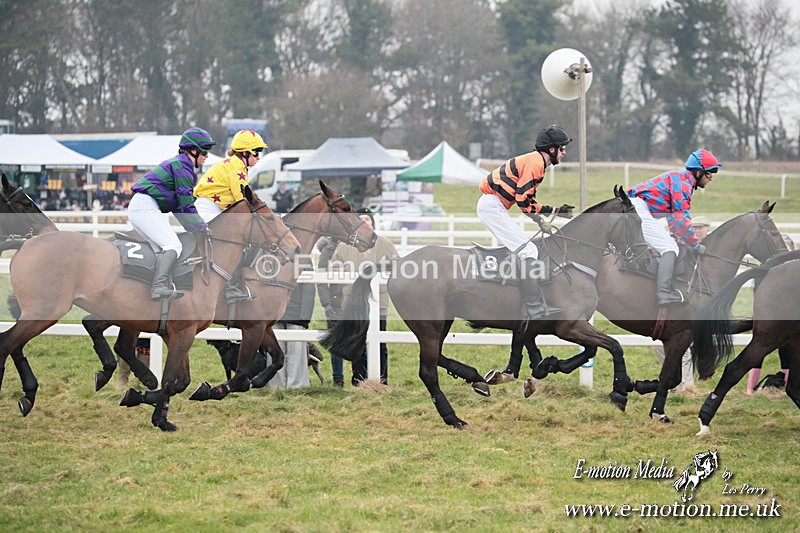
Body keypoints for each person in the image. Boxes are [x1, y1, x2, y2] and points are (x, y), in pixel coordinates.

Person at [477, 124, 575, 323]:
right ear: (552, 149)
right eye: (562, 148)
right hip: (492, 206)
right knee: (529, 251)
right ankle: (532, 306)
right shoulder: (535, 164)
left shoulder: (535, 162)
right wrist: (540, 221)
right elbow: (522, 201)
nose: (564, 153)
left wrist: (554, 211)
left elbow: (528, 201)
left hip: (493, 205)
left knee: (526, 249)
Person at [128, 127, 214, 300]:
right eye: (204, 151)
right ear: (193, 151)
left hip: (142, 206)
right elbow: (186, 203)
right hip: (145, 207)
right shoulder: (183, 166)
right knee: (173, 246)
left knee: (160, 249)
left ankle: (149, 287)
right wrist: (200, 227)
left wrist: (194, 227)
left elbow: (180, 208)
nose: (207, 156)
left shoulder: (181, 165)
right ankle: (158, 287)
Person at [627, 148, 721, 305]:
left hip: (640, 209)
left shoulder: (683, 181)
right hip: (638, 209)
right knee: (670, 248)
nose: (711, 178)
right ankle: (663, 293)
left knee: (671, 243)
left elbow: (673, 216)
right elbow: (681, 218)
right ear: (698, 172)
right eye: (710, 173)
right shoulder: (683, 183)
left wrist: (678, 235)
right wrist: (695, 244)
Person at [194, 128, 268, 302]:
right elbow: (241, 202)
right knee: (237, 245)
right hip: (209, 210)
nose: (258, 157)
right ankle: (232, 288)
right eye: (257, 152)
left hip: (213, 208)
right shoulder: (237, 169)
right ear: (246, 152)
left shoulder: (235, 165)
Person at [326, 208, 398, 386]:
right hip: (353, 303)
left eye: (368, 220)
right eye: (361, 220)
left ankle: (381, 380)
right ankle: (359, 380)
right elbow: (334, 270)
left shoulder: (384, 244)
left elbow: (398, 266)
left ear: (372, 223)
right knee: (357, 342)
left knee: (380, 344)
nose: (365, 223)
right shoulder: (344, 246)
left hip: (378, 302)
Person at [650, 215, 712, 392]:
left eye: (701, 228)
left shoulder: (709, 250)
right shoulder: (684, 248)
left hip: (699, 304)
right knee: (659, 345)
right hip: (684, 300)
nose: (698, 231)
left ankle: (686, 384)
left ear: (707, 229)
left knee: (683, 344)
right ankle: (674, 380)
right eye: (695, 228)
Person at [745, 233, 795, 394]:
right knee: (758, 352)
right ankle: (749, 389)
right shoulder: (770, 272)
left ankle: (786, 387)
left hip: (790, 319)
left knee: (788, 355)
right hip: (771, 317)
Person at [267, 264, 316, 389]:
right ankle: (277, 385)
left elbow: (308, 289)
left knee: (296, 352)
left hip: (296, 314)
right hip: (275, 312)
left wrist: (304, 317)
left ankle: (296, 385)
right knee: (276, 351)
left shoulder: (304, 258)